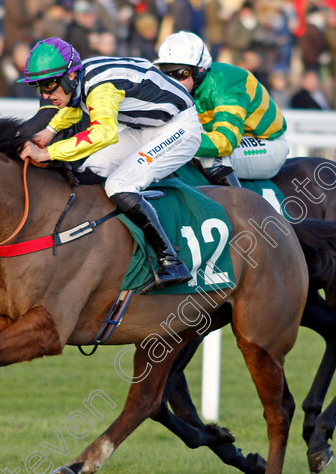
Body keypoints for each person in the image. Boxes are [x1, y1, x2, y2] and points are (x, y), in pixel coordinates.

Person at [17, 38, 200, 291]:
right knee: (88, 171)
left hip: (180, 127)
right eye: (38, 87)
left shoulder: (100, 86)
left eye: (49, 84)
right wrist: (49, 131)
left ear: (70, 75)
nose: (46, 95)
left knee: (119, 184)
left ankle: (171, 259)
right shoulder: (81, 79)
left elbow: (104, 133)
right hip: (146, 127)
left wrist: (49, 153)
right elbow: (76, 105)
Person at [154, 31, 288, 187]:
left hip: (266, 144)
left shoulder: (226, 83)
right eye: (166, 74)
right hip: (234, 141)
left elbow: (225, 141)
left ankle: (240, 209)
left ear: (200, 69)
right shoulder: (179, 88)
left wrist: (175, 143)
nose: (174, 81)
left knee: (209, 158)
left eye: (181, 73)